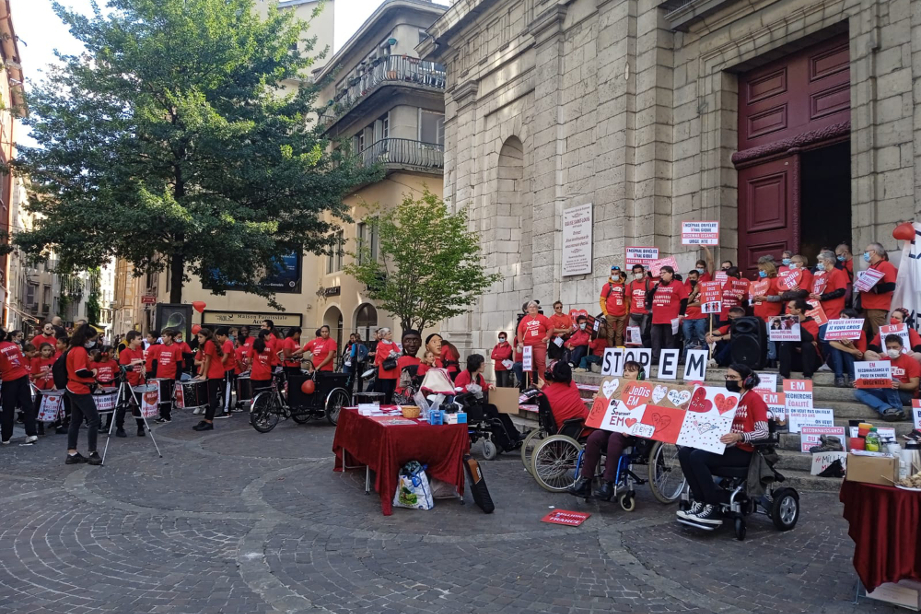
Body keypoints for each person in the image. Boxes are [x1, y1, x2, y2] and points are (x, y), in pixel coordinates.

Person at [677, 364, 769, 528]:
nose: (729, 380)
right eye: (727, 377)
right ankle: (700, 500)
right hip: (725, 446)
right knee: (685, 453)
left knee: (698, 457)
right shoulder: (728, 398)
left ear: (746, 380)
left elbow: (763, 432)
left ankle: (712, 505)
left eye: (733, 378)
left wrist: (740, 436)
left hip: (745, 451)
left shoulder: (754, 400)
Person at [567, 360, 642, 500]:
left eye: (631, 370)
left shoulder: (644, 392)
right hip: (612, 427)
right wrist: (600, 400)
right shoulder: (617, 388)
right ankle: (585, 481)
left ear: (639, 374)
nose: (626, 373)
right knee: (595, 437)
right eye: (625, 370)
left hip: (630, 432)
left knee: (615, 438)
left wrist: (632, 427)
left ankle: (608, 483)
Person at [454, 354, 521, 443]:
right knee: (493, 411)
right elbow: (458, 393)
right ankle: (507, 440)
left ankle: (514, 435)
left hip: (477, 404)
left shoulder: (479, 377)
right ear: (476, 365)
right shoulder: (463, 376)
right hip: (467, 407)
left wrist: (489, 386)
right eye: (482, 363)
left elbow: (483, 387)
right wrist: (468, 389)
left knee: (500, 412)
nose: (484, 365)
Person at [854, 334, 920, 422]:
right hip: (887, 391)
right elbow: (875, 381)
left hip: (907, 395)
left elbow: (914, 385)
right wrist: (860, 382)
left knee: (889, 380)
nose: (892, 350)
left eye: (895, 347)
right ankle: (887, 409)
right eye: (889, 347)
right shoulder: (883, 362)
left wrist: (899, 385)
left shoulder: (911, 362)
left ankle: (898, 409)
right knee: (859, 392)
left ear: (902, 347)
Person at [64, 324, 103, 464]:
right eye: (92, 339)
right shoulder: (79, 350)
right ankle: (93, 452)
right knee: (94, 419)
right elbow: (80, 371)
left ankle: (72, 452)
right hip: (79, 388)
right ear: (86, 338)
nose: (93, 342)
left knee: (75, 421)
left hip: (73, 387)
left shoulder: (72, 349)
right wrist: (92, 373)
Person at [0, 328, 39, 447]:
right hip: (22, 376)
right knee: (27, 406)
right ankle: (32, 433)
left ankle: (6, 437)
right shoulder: (12, 345)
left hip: (9, 380)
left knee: (8, 408)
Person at [646, 266, 688, 364]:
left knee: (670, 339)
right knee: (655, 337)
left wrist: (681, 314)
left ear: (671, 274)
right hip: (657, 318)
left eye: (664, 273)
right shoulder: (658, 285)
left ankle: (670, 358)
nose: (661, 275)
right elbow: (649, 297)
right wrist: (654, 288)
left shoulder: (678, 284)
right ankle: (656, 357)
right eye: (660, 273)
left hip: (670, 318)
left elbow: (684, 300)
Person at [859, 242, 898, 339]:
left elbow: (891, 285)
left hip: (877, 307)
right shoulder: (871, 267)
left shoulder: (886, 265)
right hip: (866, 306)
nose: (865, 254)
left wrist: (874, 288)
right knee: (863, 334)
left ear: (874, 252)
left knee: (879, 335)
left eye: (866, 251)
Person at [192, 327, 227, 431]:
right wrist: (201, 373)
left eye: (201, 337)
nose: (198, 339)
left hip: (215, 373)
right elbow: (203, 361)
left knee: (211, 399)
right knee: (208, 398)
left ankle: (209, 421)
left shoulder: (209, 344)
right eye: (198, 337)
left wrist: (204, 375)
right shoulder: (206, 344)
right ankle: (206, 419)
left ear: (206, 337)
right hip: (212, 373)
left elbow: (208, 361)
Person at [750, 257, 783, 366]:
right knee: (761, 338)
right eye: (759, 270)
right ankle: (763, 357)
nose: (760, 272)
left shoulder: (776, 281)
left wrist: (766, 298)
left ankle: (772, 359)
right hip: (759, 315)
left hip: (771, 315)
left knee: (770, 338)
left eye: (762, 270)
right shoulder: (760, 282)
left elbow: (781, 298)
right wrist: (754, 299)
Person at [777, 299, 820, 379]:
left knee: (807, 345)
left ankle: (808, 375)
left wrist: (796, 323)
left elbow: (810, 338)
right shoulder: (787, 322)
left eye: (790, 308)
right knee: (784, 344)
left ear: (798, 310)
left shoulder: (811, 323)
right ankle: (783, 374)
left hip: (808, 360)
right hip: (793, 358)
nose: (787, 310)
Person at [827, 309, 866, 388]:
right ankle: (839, 378)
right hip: (835, 362)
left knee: (844, 350)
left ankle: (852, 377)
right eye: (840, 316)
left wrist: (850, 345)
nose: (840, 319)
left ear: (852, 319)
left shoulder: (861, 333)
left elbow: (860, 355)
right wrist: (851, 350)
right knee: (836, 349)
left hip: (852, 362)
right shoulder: (835, 329)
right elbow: (831, 343)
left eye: (844, 317)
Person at [152, 329, 183, 423]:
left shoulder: (176, 348)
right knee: (160, 397)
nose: (162, 338)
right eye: (162, 336)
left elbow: (179, 363)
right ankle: (162, 414)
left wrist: (177, 376)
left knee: (167, 397)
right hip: (159, 376)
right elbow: (155, 361)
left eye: (164, 336)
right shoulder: (159, 347)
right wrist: (153, 375)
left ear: (170, 337)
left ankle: (166, 415)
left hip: (170, 376)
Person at [517, 301, 552, 381]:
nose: (532, 309)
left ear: (537, 309)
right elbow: (519, 330)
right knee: (530, 364)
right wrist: (520, 342)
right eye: (530, 307)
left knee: (541, 362)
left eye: (534, 307)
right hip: (527, 345)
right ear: (527, 310)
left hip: (540, 344)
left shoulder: (543, 318)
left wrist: (547, 337)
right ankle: (532, 381)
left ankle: (542, 381)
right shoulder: (524, 319)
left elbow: (551, 327)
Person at [682, 269, 708, 360]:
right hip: (687, 317)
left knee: (702, 338)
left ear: (698, 278)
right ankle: (685, 359)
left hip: (700, 317)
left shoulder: (703, 287)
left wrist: (688, 304)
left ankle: (705, 358)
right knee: (687, 339)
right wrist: (694, 292)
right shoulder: (685, 287)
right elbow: (684, 302)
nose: (691, 279)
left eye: (693, 278)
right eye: (689, 278)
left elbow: (702, 303)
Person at [600, 267, 628, 347]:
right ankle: (610, 351)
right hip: (610, 314)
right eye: (613, 274)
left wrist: (626, 312)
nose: (614, 275)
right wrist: (605, 313)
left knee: (619, 335)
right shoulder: (606, 286)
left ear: (619, 274)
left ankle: (618, 351)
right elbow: (602, 300)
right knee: (610, 335)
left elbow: (626, 300)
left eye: (616, 274)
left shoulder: (624, 286)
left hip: (622, 315)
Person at [626, 264, 652, 346]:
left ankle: (643, 352)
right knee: (631, 337)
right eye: (636, 272)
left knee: (644, 335)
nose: (638, 274)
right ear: (633, 274)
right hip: (634, 314)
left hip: (645, 314)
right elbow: (628, 298)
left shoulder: (649, 284)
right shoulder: (631, 284)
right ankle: (633, 353)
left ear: (643, 272)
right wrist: (633, 307)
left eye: (639, 272)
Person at [374, 327, 399, 403]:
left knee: (391, 390)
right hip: (385, 370)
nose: (390, 335)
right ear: (384, 336)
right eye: (389, 333)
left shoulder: (392, 343)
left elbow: (399, 352)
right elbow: (386, 356)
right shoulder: (380, 344)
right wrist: (393, 353)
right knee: (386, 390)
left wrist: (392, 353)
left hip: (393, 369)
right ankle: (384, 405)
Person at [395, 330, 422, 398]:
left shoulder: (421, 361)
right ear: (402, 343)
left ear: (420, 342)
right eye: (408, 341)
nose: (412, 344)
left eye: (415, 340)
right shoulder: (399, 361)